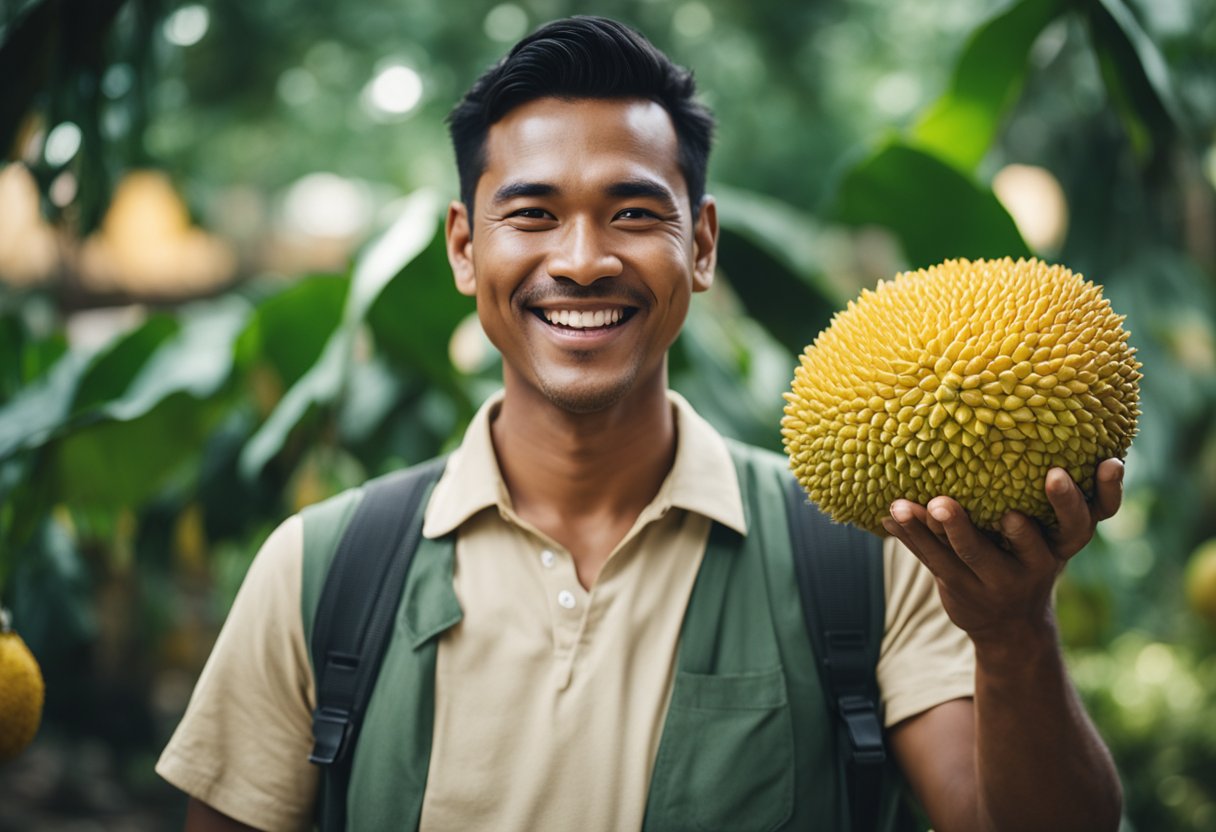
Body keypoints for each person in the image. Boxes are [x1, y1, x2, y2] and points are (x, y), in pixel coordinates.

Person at [157, 16, 1124, 832]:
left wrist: (1011, 634)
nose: (581, 261)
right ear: (464, 248)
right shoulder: (321, 570)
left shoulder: (874, 553)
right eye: (532, 214)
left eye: (632, 213)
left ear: (699, 246)